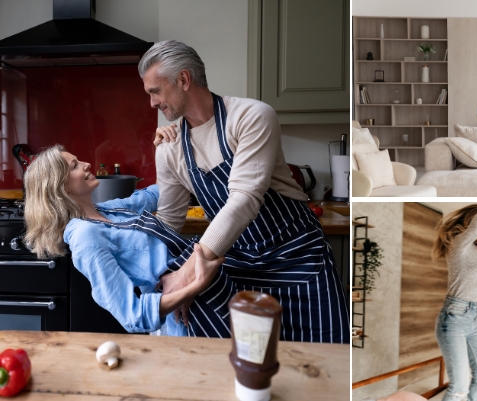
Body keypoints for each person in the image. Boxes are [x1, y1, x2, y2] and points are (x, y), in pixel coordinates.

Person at [138, 40, 348, 343]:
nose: (152, 103)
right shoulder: (170, 149)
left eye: (155, 91)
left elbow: (245, 198)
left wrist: (188, 272)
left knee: (329, 362)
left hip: (297, 258)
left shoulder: (252, 116)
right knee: (246, 364)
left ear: (183, 80)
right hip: (235, 264)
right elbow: (170, 221)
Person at [23, 145, 227, 336]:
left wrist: (168, 148)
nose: (86, 164)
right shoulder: (85, 237)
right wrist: (196, 284)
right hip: (191, 317)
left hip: (212, 291)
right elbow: (133, 316)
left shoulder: (107, 210)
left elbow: (156, 193)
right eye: (75, 166)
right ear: (62, 189)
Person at [432, 202, 477, 401]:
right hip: (454, 319)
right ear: (472, 223)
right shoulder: (459, 244)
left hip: (474, 321)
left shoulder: (476, 253)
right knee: (459, 386)